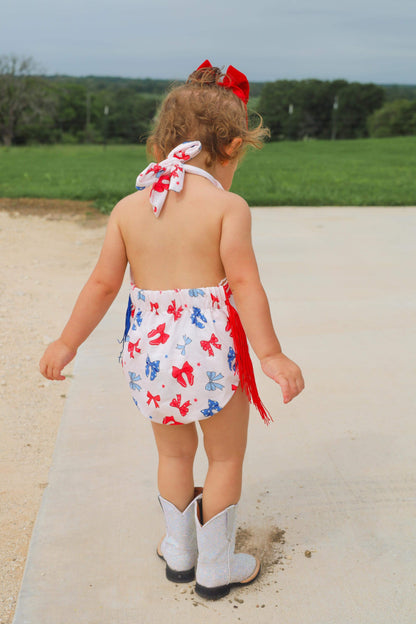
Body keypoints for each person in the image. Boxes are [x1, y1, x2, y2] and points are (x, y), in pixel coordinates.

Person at [39, 60, 304, 600]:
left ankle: (179, 552)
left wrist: (67, 343)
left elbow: (101, 286)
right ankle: (215, 565)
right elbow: (247, 286)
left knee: (173, 455)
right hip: (213, 356)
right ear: (229, 148)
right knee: (225, 456)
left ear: (159, 146)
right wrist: (272, 354)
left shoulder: (129, 208)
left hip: (152, 357)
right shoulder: (228, 206)